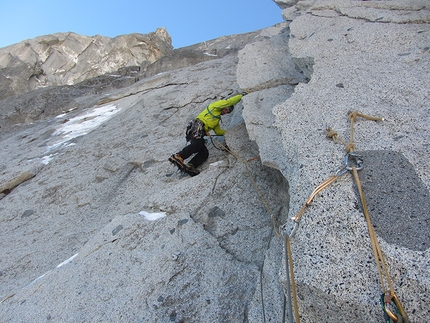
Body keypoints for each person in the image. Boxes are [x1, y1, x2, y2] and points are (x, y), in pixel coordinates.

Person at [169, 92, 246, 176]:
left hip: (199, 132)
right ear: (224, 106)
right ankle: (178, 156)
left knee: (204, 153)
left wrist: (230, 133)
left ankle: (190, 166)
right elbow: (229, 102)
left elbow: (218, 131)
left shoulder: (216, 119)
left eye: (228, 112)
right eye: (227, 110)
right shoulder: (215, 106)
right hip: (196, 126)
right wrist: (241, 96)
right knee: (197, 143)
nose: (226, 112)